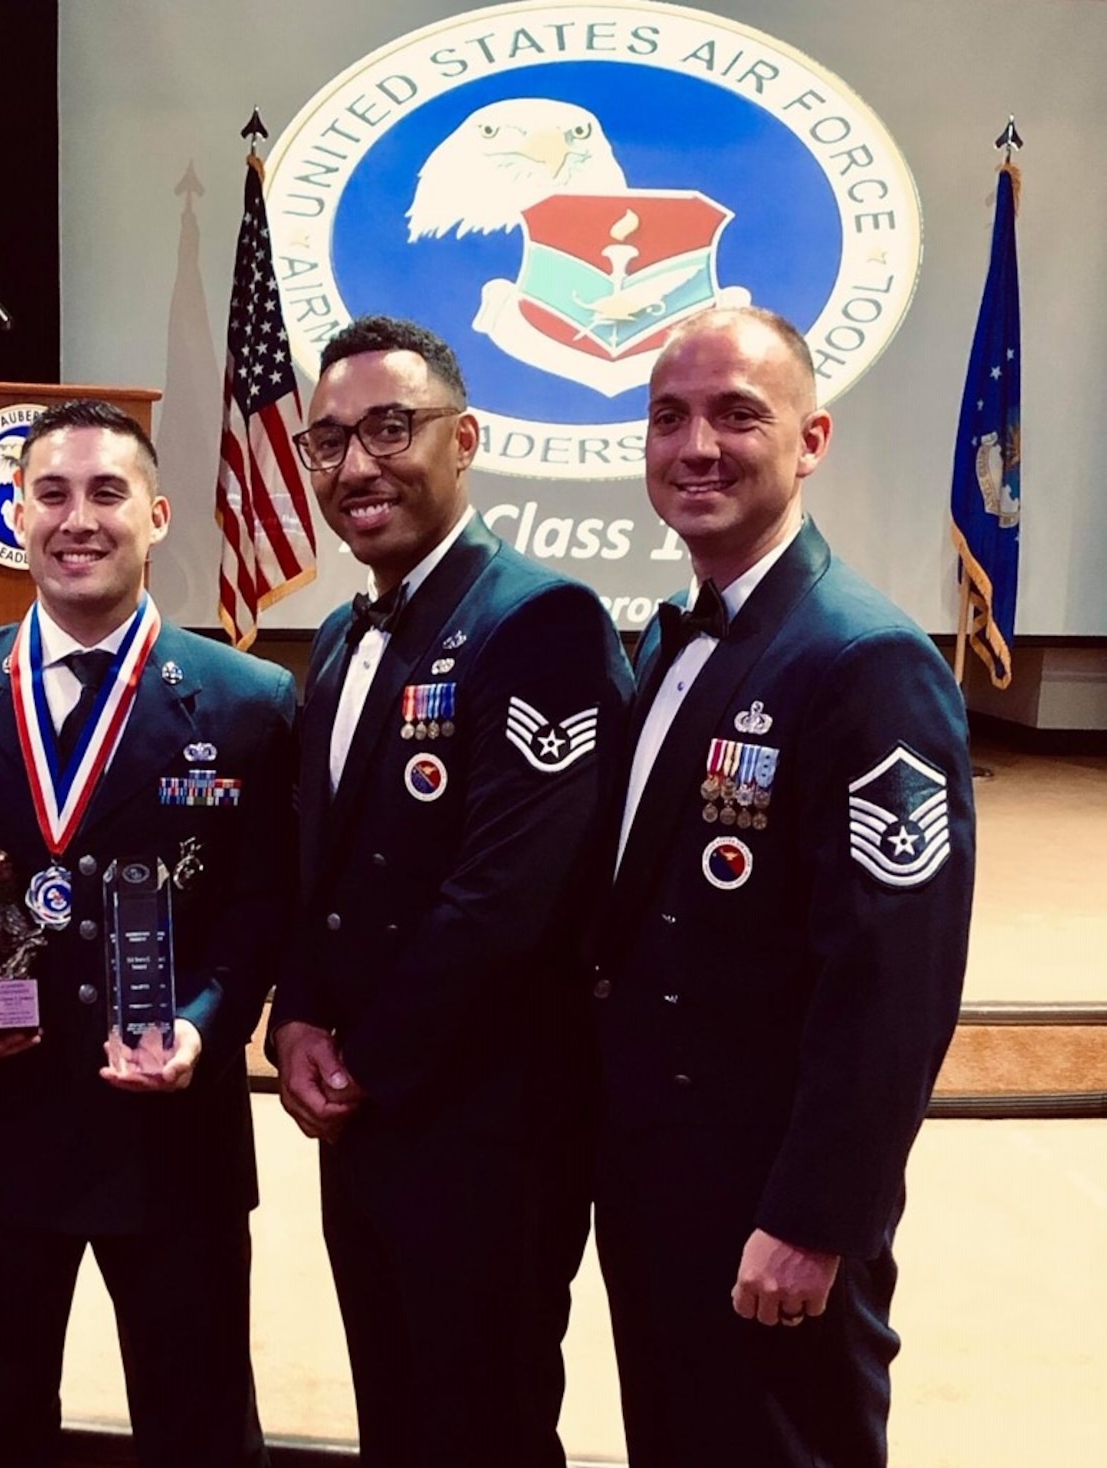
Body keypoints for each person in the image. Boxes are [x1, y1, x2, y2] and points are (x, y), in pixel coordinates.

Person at [591, 306, 973, 1467]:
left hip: (768, 1199)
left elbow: (892, 985)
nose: (694, 445)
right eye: (667, 417)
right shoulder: (666, 640)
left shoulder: (865, 658)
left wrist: (812, 1220)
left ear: (810, 439)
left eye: (734, 414)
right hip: (655, 1178)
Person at [0, 399, 295, 1468]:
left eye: (106, 493)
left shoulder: (247, 701)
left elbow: (262, 906)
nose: (79, 519)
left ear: (156, 515)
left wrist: (207, 1028)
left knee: (199, 1424)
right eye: (53, 493)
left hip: (170, 1140)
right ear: (15, 514)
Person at [266, 315, 631, 1465]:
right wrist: (295, 1020)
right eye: (328, 442)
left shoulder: (539, 621)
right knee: (397, 1418)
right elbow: (316, 873)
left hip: (488, 1123)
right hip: (364, 1114)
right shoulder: (337, 635)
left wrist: (360, 1057)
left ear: (463, 437)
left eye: (389, 428)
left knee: (485, 1424)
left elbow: (504, 899)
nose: (355, 464)